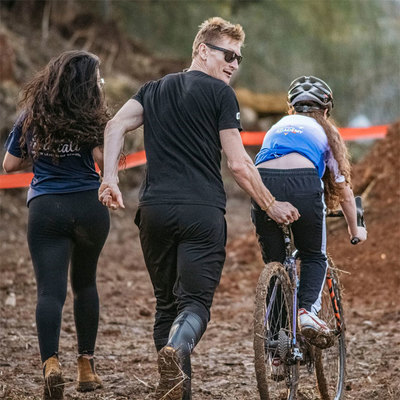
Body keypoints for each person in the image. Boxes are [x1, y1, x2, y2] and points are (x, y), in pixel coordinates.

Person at [98, 17, 299, 400]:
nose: (234, 65)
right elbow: (239, 164)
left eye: (239, 59)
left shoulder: (153, 90)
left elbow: (114, 127)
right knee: (193, 306)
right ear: (202, 50)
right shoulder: (221, 96)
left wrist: (108, 177)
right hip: (201, 213)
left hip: (153, 211)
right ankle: (176, 352)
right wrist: (271, 205)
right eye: (228, 55)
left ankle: (177, 388)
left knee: (165, 305)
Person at [2, 50, 110, 400]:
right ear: (86, 84)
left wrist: (44, 149)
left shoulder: (31, 117)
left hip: (46, 209)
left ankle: (50, 364)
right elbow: (101, 159)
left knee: (50, 291)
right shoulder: (93, 118)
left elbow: (10, 165)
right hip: (89, 206)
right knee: (85, 283)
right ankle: (86, 368)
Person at [251, 76, 368, 354]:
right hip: (303, 182)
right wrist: (356, 230)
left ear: (291, 109)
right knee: (313, 255)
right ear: (326, 110)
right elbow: (344, 191)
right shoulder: (326, 132)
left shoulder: (278, 127)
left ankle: (277, 346)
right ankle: (306, 313)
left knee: (276, 263)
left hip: (261, 183)